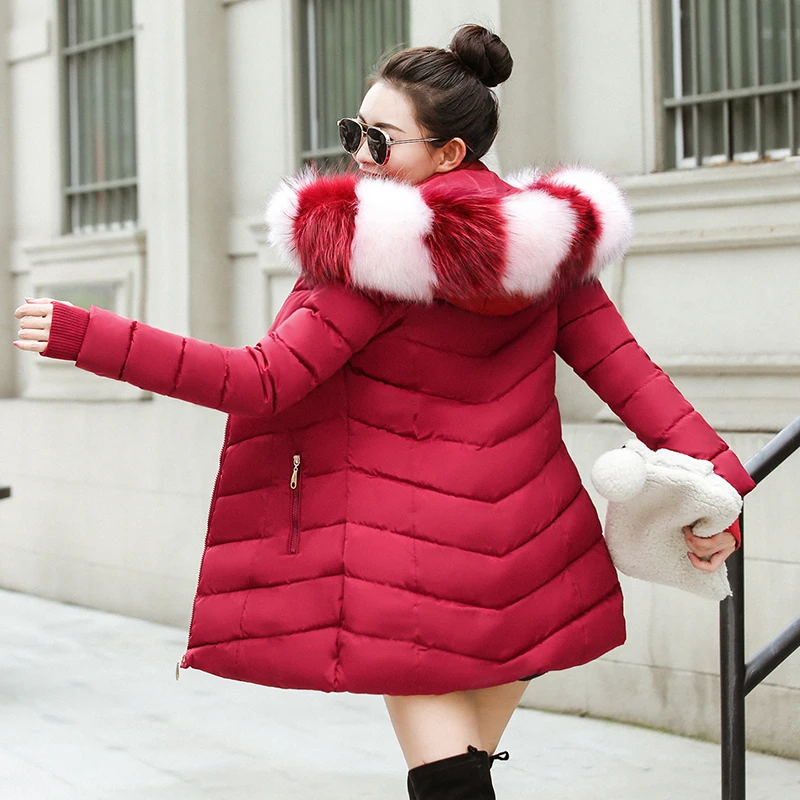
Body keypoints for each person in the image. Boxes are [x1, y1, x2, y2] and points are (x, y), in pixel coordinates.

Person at [13, 24, 753, 800]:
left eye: (380, 140)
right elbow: (634, 380)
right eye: (354, 132)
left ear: (450, 153)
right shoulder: (551, 254)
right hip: (531, 553)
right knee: (463, 772)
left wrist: (87, 335)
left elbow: (259, 381)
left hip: (409, 566)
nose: (360, 156)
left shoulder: (375, 259)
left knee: (450, 783)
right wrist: (724, 492)